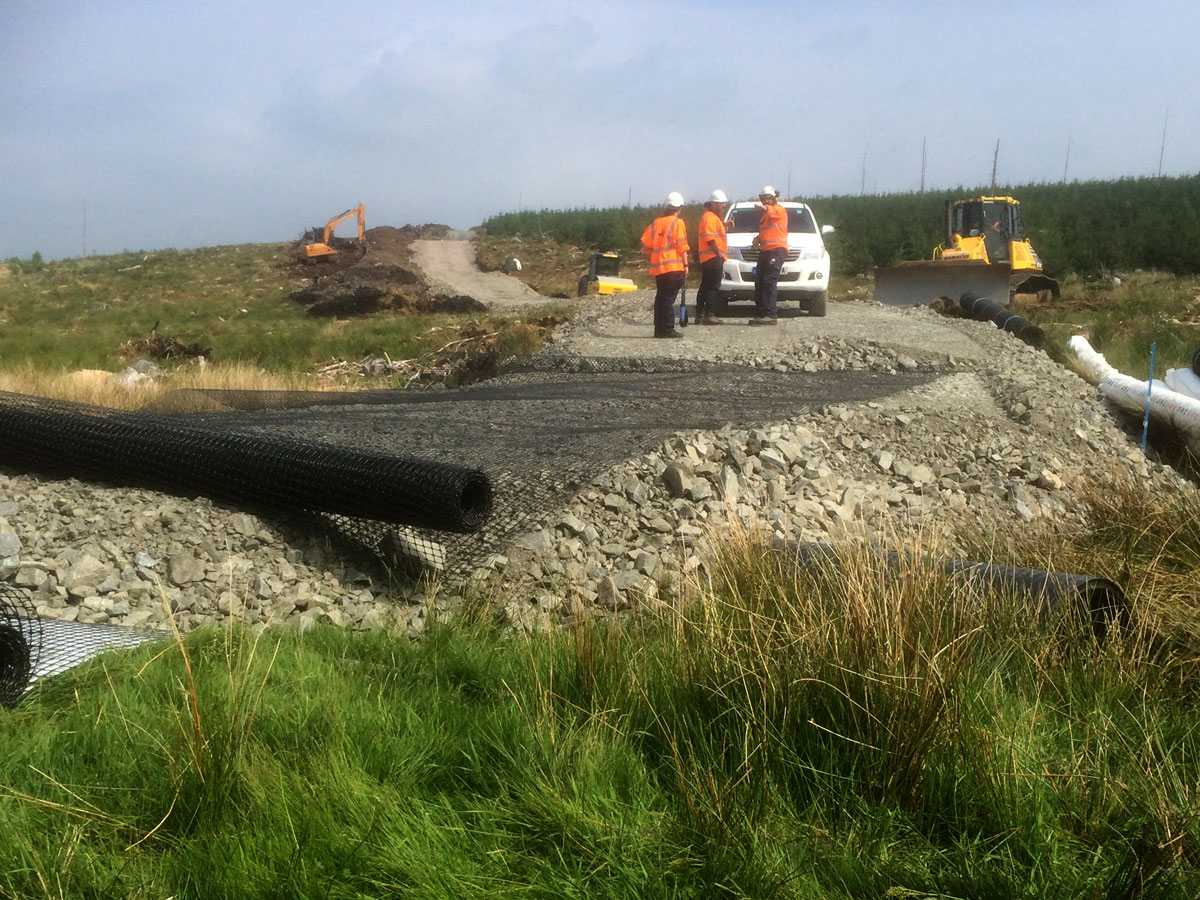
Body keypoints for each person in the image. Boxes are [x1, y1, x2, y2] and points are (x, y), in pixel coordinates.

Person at [640, 192, 689, 338]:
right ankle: (667, 329)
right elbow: (682, 246)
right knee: (668, 300)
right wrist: (686, 265)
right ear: (678, 208)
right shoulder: (677, 223)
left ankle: (659, 330)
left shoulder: (656, 223)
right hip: (674, 268)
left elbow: (645, 244)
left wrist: (656, 252)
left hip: (659, 268)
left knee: (661, 298)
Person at [750, 185, 787, 326]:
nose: (765, 201)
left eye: (767, 198)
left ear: (773, 198)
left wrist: (763, 207)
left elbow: (770, 211)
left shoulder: (779, 210)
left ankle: (770, 314)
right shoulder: (765, 217)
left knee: (769, 281)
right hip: (766, 251)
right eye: (763, 199)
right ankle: (761, 313)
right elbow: (770, 230)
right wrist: (759, 239)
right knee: (759, 281)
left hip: (777, 251)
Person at [694, 189, 728, 325]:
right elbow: (710, 238)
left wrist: (725, 225)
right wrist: (718, 254)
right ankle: (709, 314)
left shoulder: (711, 217)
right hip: (713, 257)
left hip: (709, 258)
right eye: (721, 204)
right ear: (713, 204)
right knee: (713, 287)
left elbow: (713, 231)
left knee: (705, 286)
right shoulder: (709, 217)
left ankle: (700, 315)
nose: (723, 206)